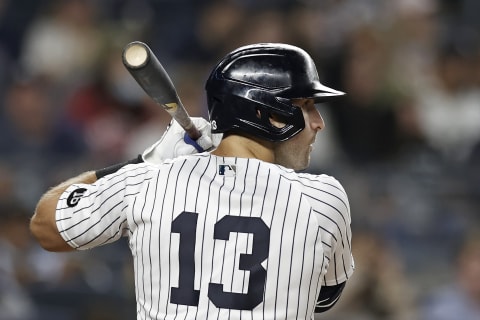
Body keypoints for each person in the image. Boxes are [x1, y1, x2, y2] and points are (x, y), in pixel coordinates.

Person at [30, 43, 354, 319]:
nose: (319, 123)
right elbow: (324, 296)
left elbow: (45, 225)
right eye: (307, 106)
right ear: (267, 113)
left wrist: (146, 161)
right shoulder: (322, 198)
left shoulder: (147, 182)